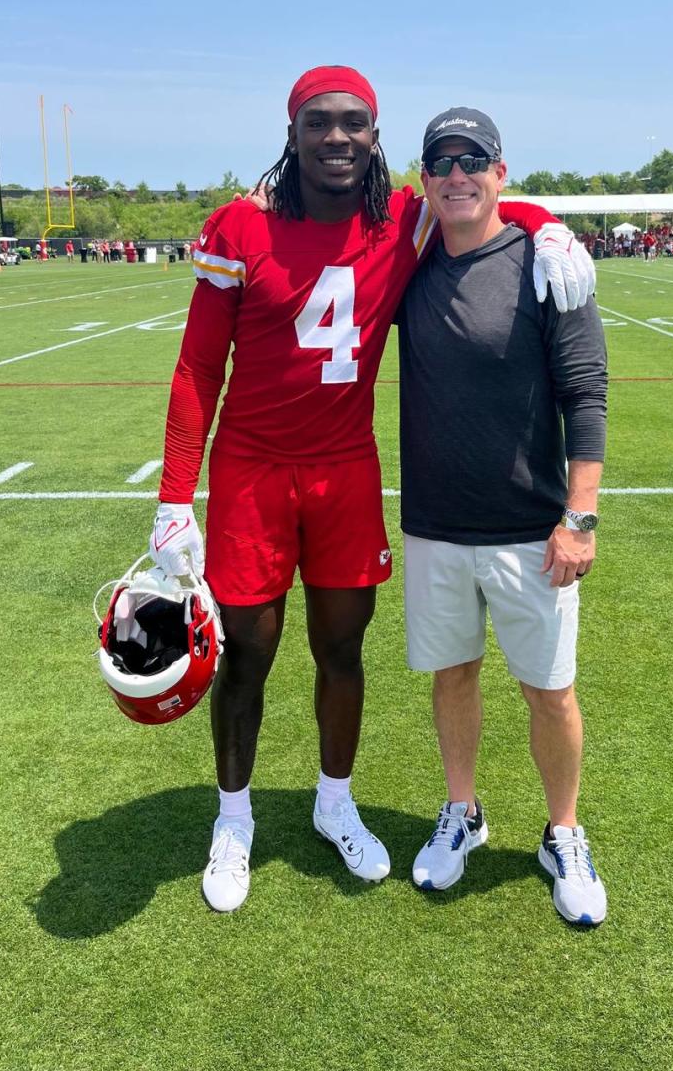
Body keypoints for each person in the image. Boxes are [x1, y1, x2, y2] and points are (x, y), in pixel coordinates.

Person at [148, 66, 596, 914]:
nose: (338, 137)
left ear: (375, 134)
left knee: (342, 650)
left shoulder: (398, 216)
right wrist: (176, 496)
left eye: (354, 123)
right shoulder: (241, 226)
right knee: (247, 652)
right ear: (293, 132)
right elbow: (198, 366)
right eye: (319, 123)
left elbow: (481, 203)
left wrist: (549, 225)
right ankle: (234, 819)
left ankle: (334, 801)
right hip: (250, 471)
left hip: (345, 469)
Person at [397, 108, 609, 925]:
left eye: (473, 158)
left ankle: (563, 831)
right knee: (453, 675)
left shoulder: (547, 263)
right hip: (435, 528)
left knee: (550, 691)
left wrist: (579, 517)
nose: (458, 173)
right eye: (442, 161)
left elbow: (585, 394)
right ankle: (464, 812)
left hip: (531, 529)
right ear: (424, 178)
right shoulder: (409, 263)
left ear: (500, 170)